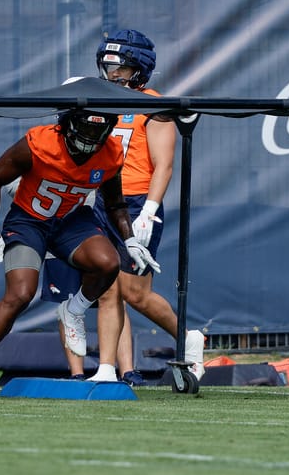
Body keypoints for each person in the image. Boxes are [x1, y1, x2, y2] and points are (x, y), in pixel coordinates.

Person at [0, 106, 159, 399]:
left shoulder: (110, 152)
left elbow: (115, 204)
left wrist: (131, 240)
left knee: (108, 263)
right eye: (84, 128)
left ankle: (73, 310)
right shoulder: (40, 142)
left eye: (97, 129)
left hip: (71, 221)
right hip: (28, 221)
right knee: (20, 294)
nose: (89, 137)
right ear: (68, 124)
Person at [53, 29, 205, 384]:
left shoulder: (153, 106)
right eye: (108, 67)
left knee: (135, 293)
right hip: (103, 201)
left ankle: (187, 337)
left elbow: (163, 164)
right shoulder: (100, 99)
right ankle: (106, 369)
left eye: (119, 68)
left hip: (136, 204)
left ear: (139, 68)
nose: (112, 75)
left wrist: (150, 209)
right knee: (107, 289)